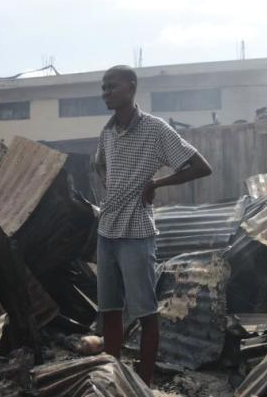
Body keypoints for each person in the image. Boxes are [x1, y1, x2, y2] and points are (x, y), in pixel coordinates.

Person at [93, 65, 212, 385]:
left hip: (137, 235)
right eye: (103, 88)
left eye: (112, 87)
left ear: (131, 88)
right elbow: (99, 164)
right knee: (110, 311)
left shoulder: (155, 130)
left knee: (145, 312)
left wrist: (157, 183)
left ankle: (144, 384)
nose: (106, 93)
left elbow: (200, 166)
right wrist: (110, 189)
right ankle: (113, 380)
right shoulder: (106, 132)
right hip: (106, 233)